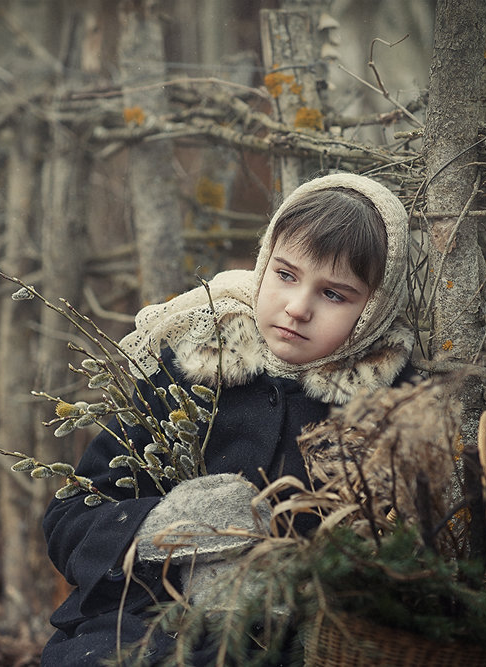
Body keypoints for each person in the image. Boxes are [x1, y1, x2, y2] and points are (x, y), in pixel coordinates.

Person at [40, 172, 416, 666]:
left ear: (375, 309)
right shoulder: (193, 364)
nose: (297, 308)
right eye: (285, 275)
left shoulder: (391, 406)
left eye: (334, 295)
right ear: (263, 266)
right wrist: (165, 527)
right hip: (142, 621)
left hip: (291, 643)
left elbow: (407, 560)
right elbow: (70, 522)